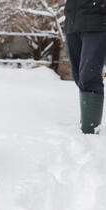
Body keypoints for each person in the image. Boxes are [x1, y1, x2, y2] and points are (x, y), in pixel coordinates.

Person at [64, 0, 106, 134]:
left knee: (89, 75)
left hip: (98, 22)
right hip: (72, 22)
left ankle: (90, 131)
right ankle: (87, 124)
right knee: (79, 77)